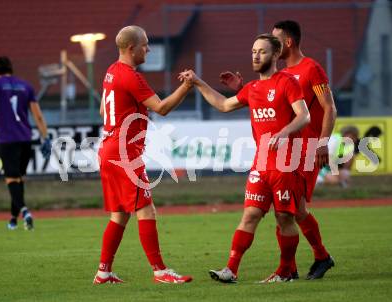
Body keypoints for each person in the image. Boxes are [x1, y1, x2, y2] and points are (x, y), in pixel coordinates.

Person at [180, 33, 310, 283]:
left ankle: (286, 271)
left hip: (286, 162)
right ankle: (230, 269)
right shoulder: (253, 88)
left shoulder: (287, 82)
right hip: (262, 163)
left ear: (274, 55)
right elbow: (224, 105)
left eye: (261, 51)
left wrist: (284, 132)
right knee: (250, 215)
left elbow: (304, 116)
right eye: (253, 51)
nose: (255, 55)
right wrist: (197, 82)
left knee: (284, 217)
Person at [220, 20, 337, 280]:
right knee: (292, 210)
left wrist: (322, 141)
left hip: (304, 148)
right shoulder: (280, 74)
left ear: (287, 43)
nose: (267, 46)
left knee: (291, 210)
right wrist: (243, 90)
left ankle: (307, 261)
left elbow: (329, 107)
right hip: (282, 151)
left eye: (274, 39)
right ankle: (309, 261)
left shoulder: (311, 69)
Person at [93, 25, 193, 284]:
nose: (148, 48)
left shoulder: (111, 72)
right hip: (124, 152)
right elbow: (161, 108)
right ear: (131, 48)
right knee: (146, 210)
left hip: (108, 148)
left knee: (120, 214)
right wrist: (187, 86)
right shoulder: (130, 76)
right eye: (145, 44)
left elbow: (104, 112)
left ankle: (103, 272)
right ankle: (160, 271)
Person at [0, 56, 51, 230]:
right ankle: (13, 219)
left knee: (11, 178)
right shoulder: (26, 86)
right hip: (25, 139)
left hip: (7, 139)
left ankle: (25, 212)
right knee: (19, 179)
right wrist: (45, 137)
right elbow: (38, 115)